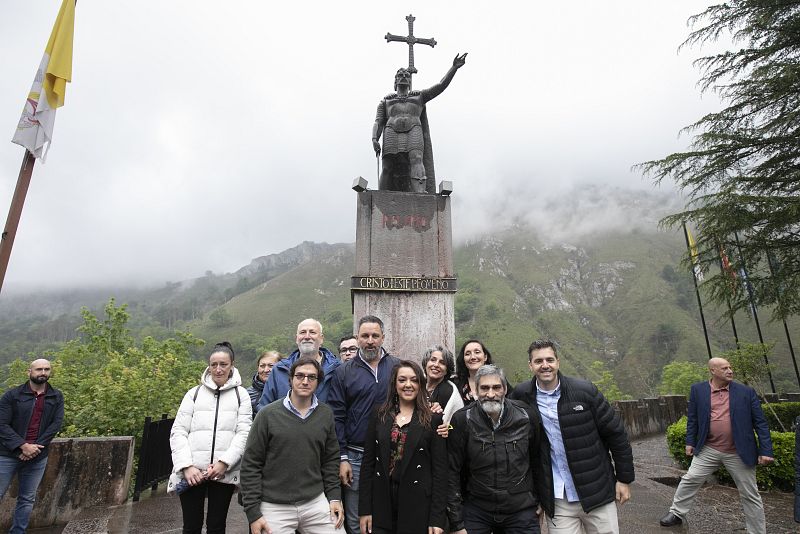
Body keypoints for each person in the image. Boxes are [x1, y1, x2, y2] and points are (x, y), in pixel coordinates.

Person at [510, 340, 634, 534]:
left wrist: (624, 480)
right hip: (557, 498)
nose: (545, 365)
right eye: (538, 361)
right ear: (530, 365)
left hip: (597, 492)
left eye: (549, 359)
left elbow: (616, 435)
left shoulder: (584, 391)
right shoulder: (522, 396)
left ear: (558, 362)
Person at [659, 357, 774, 533]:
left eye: (730, 367)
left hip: (738, 451)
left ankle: (757, 531)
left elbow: (761, 423)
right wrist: (690, 441)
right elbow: (693, 419)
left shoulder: (746, 392)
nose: (730, 371)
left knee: (750, 494)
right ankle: (676, 513)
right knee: (690, 479)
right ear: (713, 371)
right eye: (724, 368)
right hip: (708, 448)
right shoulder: (698, 390)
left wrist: (766, 451)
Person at [241, 357, 344, 534]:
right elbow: (251, 463)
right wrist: (253, 513)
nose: (305, 381)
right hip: (274, 504)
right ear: (291, 379)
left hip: (314, 501)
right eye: (300, 376)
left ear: (318, 382)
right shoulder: (267, 415)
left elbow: (330, 460)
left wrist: (334, 498)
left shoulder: (325, 414)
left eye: (311, 377)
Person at [168, 342, 252, 534]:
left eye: (223, 364)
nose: (218, 369)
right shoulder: (194, 394)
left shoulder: (242, 396)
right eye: (214, 364)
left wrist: (225, 462)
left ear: (232, 365)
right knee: (191, 526)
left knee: (216, 525)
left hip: (222, 472)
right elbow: (178, 431)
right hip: (192, 472)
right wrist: (186, 466)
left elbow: (244, 433)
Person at [328, 315, 400, 534]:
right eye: (365, 336)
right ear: (357, 338)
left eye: (375, 336)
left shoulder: (397, 367)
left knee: (390, 513)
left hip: (392, 453)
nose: (370, 340)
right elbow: (337, 417)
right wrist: (342, 458)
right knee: (356, 519)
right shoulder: (343, 372)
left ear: (383, 338)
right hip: (356, 456)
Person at [448, 364, 541, 534]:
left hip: (520, 508)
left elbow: (538, 460)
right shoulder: (462, 419)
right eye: (484, 388)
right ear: (476, 390)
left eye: (496, 387)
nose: (490, 394)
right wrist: (456, 522)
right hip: (477, 509)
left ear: (505, 389)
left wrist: (541, 501)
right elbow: (452, 470)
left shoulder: (526, 415)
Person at [359, 360, 447, 534]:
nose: (408, 385)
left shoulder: (433, 419)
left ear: (420, 384)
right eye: (402, 380)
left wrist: (437, 519)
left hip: (417, 504)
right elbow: (368, 464)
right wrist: (365, 510)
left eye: (414, 380)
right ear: (394, 384)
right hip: (381, 502)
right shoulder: (379, 414)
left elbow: (440, 472)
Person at [372, 53, 467, 193]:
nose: (403, 76)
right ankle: (382, 195)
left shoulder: (419, 97)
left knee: (417, 160)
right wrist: (375, 138)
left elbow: (440, 86)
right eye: (400, 75)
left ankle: (420, 193)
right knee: (388, 165)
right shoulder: (386, 101)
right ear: (395, 81)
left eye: (406, 75)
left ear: (410, 82)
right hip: (391, 130)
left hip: (413, 129)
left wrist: (453, 68)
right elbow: (378, 122)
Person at [0, 358, 64, 534]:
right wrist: (22, 446)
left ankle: (18, 532)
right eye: (38, 369)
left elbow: (55, 425)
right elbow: (2, 424)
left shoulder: (56, 396)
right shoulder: (12, 395)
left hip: (37, 457)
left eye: (46, 369)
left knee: (27, 499)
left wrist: (35, 448)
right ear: (29, 372)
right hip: (7, 454)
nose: (43, 373)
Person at [257, 319, 341, 411]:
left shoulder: (337, 369)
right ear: (296, 338)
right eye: (303, 332)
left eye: (312, 332)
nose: (307, 336)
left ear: (321, 339)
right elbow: (264, 407)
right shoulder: (279, 370)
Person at [421, 345, 463, 425]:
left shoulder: (449, 392)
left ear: (447, 370)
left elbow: (452, 426)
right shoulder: (417, 385)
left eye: (442, 362)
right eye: (433, 360)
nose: (436, 365)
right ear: (425, 363)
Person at [453, 339, 495, 405]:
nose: (472, 357)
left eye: (477, 352)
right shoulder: (455, 384)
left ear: (485, 357)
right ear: (463, 359)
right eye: (467, 354)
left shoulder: (498, 379)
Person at [247, 351, 282, 415]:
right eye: (262, 366)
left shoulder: (288, 392)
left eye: (271, 366)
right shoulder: (247, 394)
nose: (266, 370)